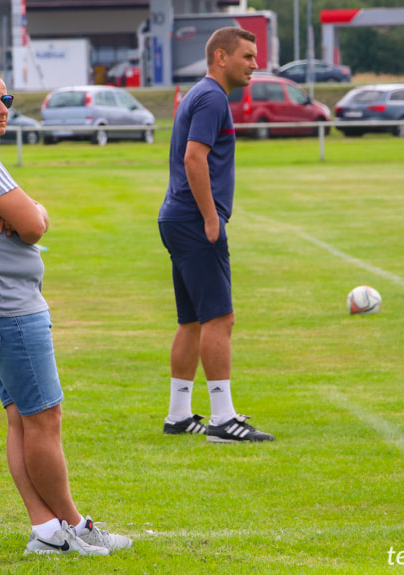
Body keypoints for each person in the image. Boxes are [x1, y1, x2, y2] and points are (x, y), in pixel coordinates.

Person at [0, 65, 131, 556]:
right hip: (10, 308)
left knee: (23, 420)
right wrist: (29, 215)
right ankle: (74, 526)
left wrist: (29, 214)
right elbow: (35, 225)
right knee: (44, 420)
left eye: (6, 99)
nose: (1, 108)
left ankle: (46, 530)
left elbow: (31, 217)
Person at [157, 27, 275, 443]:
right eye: (246, 56)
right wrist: (211, 218)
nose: (254, 64)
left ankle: (179, 414)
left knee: (191, 321)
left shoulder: (199, 95)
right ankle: (223, 420)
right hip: (193, 219)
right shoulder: (211, 98)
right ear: (220, 57)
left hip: (176, 217)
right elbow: (194, 158)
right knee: (219, 318)